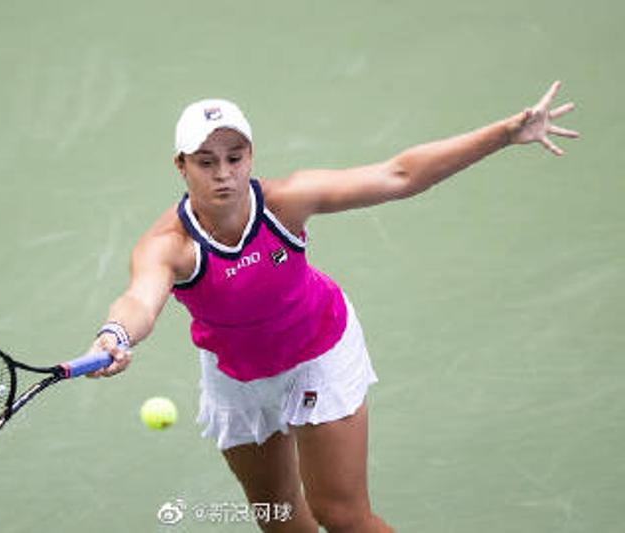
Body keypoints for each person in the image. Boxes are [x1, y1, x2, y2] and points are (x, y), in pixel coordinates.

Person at [84, 82, 578, 532]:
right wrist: (115, 335)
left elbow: (400, 175)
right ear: (181, 166)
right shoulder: (169, 245)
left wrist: (504, 134)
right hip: (238, 377)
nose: (224, 174)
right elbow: (139, 300)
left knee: (342, 515)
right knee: (279, 519)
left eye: (235, 157)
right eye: (206, 162)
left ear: (251, 156)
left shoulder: (285, 202)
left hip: (317, 351)